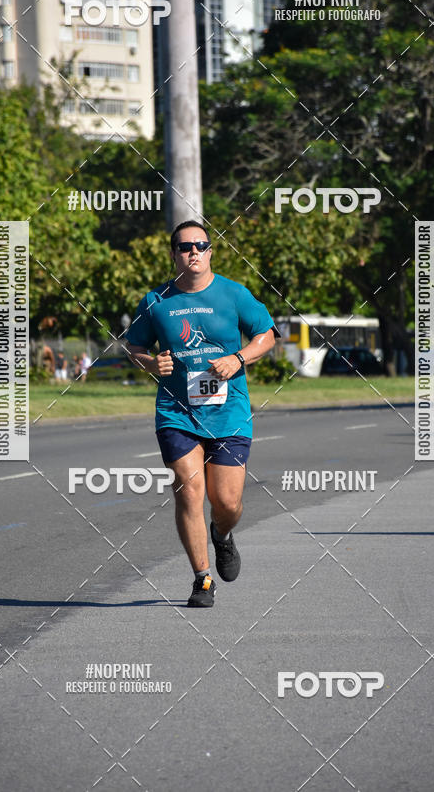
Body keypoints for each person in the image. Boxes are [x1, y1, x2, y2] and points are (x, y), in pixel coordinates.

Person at [127, 220, 278, 608]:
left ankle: (222, 535)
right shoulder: (155, 301)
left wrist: (238, 357)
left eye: (200, 245)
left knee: (226, 502)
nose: (193, 251)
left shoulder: (233, 293)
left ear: (211, 251)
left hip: (229, 412)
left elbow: (267, 334)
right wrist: (148, 363)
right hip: (176, 412)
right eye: (184, 247)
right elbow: (135, 346)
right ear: (173, 254)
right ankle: (202, 579)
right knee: (189, 488)